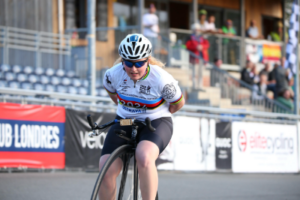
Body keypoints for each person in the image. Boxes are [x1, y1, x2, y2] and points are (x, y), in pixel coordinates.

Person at [101, 33, 185, 200]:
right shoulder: (113, 75)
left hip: (156, 121)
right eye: (129, 63)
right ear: (122, 61)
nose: (133, 68)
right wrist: (128, 110)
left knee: (144, 156)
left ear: (147, 60)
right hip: (125, 120)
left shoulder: (162, 79)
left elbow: (178, 104)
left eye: (139, 63)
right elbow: (114, 96)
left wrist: (157, 114)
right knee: (105, 167)